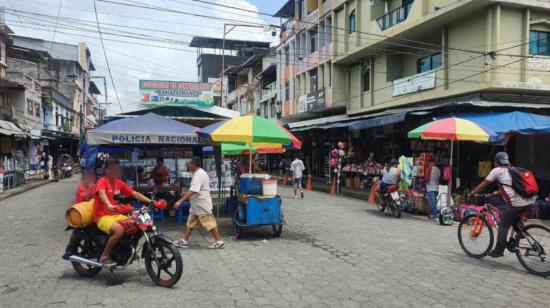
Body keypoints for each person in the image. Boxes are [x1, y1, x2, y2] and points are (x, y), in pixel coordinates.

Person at [470, 152, 537, 258]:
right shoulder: (512, 170)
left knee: (503, 224)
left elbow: (484, 184)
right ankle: (521, 233)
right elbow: (511, 187)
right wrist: (497, 193)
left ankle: (498, 250)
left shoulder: (497, 171)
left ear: (496, 162)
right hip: (529, 201)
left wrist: (472, 193)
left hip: (516, 204)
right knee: (505, 212)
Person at [93, 159, 153, 267]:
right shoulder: (102, 181)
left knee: (138, 224)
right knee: (119, 230)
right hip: (102, 216)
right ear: (107, 170)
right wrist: (109, 205)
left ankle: (128, 250)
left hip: (116, 215)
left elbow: (134, 193)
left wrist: (151, 201)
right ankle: (104, 256)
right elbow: (102, 194)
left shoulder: (118, 183)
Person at [173, 157, 224, 249]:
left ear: (194, 165)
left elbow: (193, 191)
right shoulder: (200, 173)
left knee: (209, 223)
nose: (188, 165)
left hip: (201, 204)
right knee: (191, 223)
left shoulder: (198, 175)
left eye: (190, 164)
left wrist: (180, 200)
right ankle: (184, 240)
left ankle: (219, 241)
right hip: (196, 205)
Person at [62, 170, 97, 260]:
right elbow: (86, 198)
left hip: (92, 212)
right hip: (80, 213)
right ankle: (70, 248)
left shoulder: (95, 187)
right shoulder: (81, 188)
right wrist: (90, 189)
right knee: (78, 229)